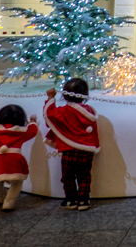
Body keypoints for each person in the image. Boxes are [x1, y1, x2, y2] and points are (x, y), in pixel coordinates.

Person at [44, 78, 100, 211]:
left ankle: (71, 199)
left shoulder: (64, 111)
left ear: (64, 94)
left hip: (69, 149)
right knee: (85, 175)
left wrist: (51, 98)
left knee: (68, 176)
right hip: (86, 149)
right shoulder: (89, 112)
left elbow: (50, 116)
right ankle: (84, 200)